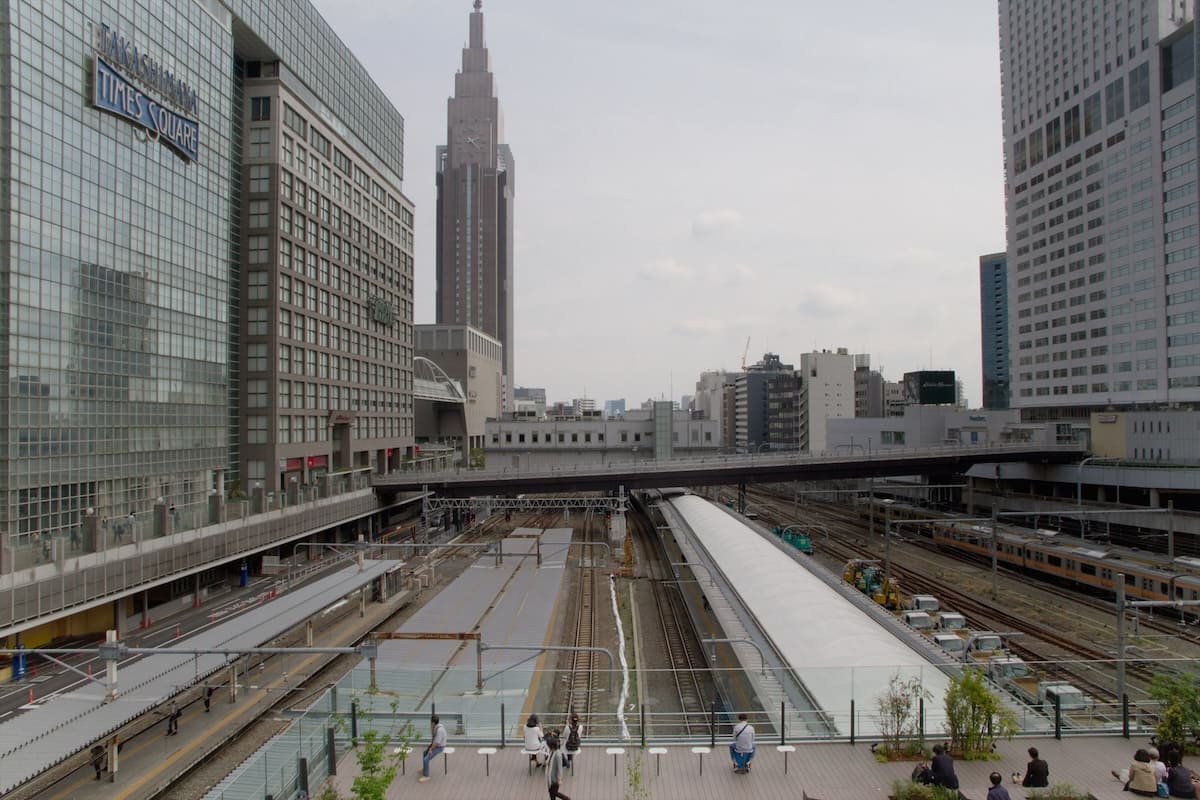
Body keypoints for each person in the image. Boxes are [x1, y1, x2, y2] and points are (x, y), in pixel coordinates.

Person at [418, 714, 447, 783]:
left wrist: (431, 749)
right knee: (424, 753)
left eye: (431, 722)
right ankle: (425, 769)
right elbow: (433, 736)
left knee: (426, 759)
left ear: (433, 722)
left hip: (439, 747)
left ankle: (426, 776)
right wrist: (432, 728)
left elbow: (437, 742)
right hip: (436, 745)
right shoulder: (437, 727)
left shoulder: (439, 730)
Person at [546, 732, 571, 800]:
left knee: (553, 792)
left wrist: (559, 779)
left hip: (554, 779)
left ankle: (566, 798)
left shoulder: (558, 755)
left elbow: (560, 768)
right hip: (550, 777)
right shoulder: (552, 752)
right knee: (552, 793)